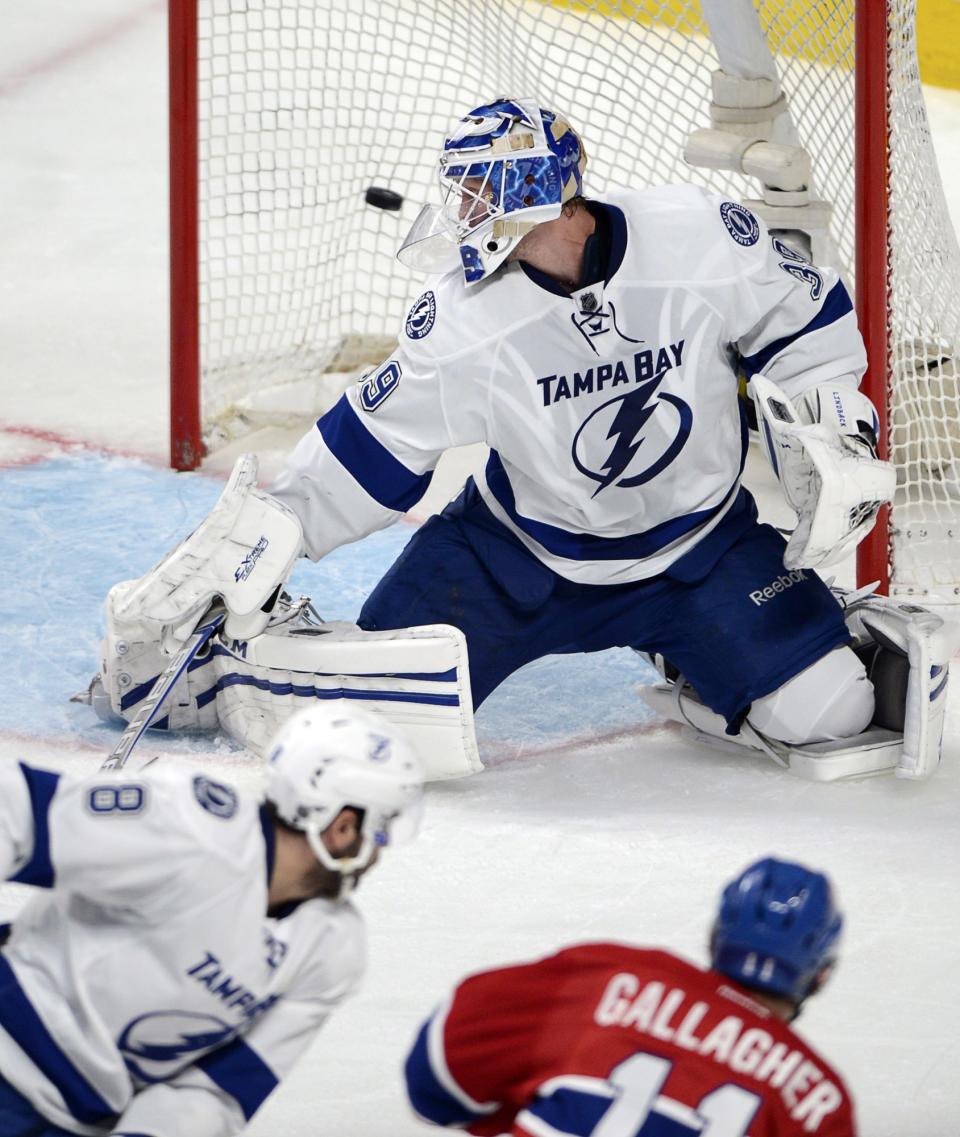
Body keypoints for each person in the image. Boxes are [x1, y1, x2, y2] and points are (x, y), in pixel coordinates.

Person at [94, 95, 956, 779]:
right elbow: (370, 452)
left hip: (702, 550)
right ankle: (239, 662)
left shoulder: (692, 236)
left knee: (833, 715)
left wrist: (835, 414)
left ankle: (699, 650)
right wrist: (261, 547)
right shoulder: (467, 321)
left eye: (478, 191)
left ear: (540, 194)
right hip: (516, 563)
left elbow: (801, 309)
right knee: (369, 728)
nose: (463, 210)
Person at [0, 704, 423, 1136]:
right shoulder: (189, 826)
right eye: (382, 830)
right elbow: (15, 811)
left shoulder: (331, 948)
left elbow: (216, 1090)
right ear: (343, 827)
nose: (378, 851)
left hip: (69, 1122)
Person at [403, 856, 857, 1136]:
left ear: (716, 935)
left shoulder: (607, 977)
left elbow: (434, 1077)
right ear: (820, 976)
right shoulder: (819, 1102)